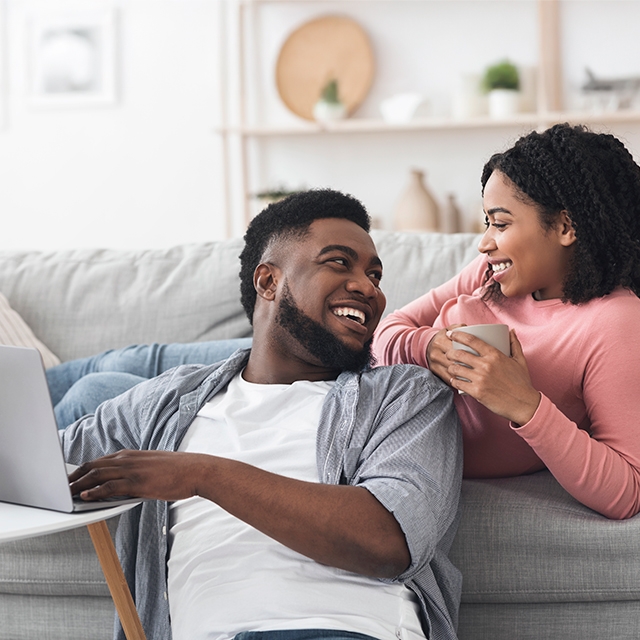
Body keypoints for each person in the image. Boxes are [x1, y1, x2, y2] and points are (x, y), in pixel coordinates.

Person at [62, 189, 463, 640]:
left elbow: (390, 540)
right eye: (338, 262)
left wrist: (204, 475)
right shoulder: (164, 402)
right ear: (268, 282)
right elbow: (36, 463)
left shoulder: (404, 394)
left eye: (375, 274)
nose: (368, 286)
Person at [373, 123, 640, 520]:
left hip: (389, 446)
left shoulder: (614, 322)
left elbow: (626, 492)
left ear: (566, 227)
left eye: (500, 223)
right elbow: (387, 331)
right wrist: (429, 348)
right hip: (370, 399)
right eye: (487, 223)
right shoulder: (489, 271)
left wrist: (523, 405)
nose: (484, 243)